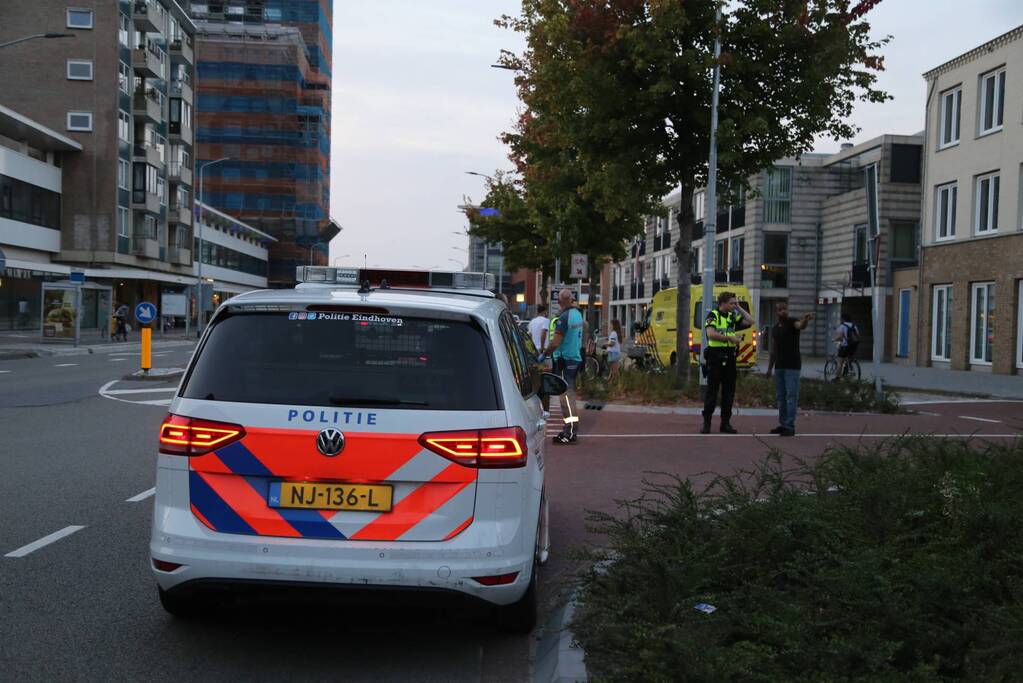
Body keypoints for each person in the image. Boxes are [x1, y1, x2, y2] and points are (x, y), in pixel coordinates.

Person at [701, 291, 755, 434]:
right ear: (723, 303)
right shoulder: (713, 315)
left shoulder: (733, 316)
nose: (733, 305)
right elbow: (711, 334)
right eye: (731, 303)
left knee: (729, 392)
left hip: (730, 357)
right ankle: (707, 423)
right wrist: (730, 339)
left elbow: (751, 321)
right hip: (715, 356)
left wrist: (739, 308)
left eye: (734, 303)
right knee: (712, 391)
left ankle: (725, 423)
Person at [540, 289, 585, 444]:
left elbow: (556, 341)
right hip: (575, 358)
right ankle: (570, 429)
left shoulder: (563, 318)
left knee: (566, 396)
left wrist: (544, 353)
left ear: (560, 302)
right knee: (569, 394)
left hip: (565, 360)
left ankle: (570, 432)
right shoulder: (578, 315)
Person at [765, 301, 812, 436]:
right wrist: (769, 368)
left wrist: (805, 320)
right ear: (776, 312)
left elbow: (801, 326)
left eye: (785, 309)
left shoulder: (793, 322)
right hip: (779, 366)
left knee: (791, 395)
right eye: (780, 309)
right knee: (780, 396)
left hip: (792, 365)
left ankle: (789, 425)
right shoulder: (775, 328)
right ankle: (783, 423)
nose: (783, 311)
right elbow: (774, 349)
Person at [833, 311, 860, 380]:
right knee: (849, 358)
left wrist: (834, 339)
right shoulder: (854, 326)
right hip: (854, 345)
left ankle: (837, 378)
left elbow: (839, 337)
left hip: (845, 346)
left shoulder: (842, 326)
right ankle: (851, 369)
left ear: (843, 319)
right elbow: (857, 335)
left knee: (840, 361)